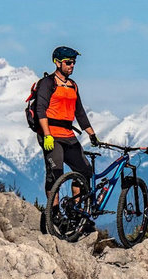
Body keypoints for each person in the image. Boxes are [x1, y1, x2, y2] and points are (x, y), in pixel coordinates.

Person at [35, 46, 100, 213]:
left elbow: (80, 113)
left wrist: (91, 135)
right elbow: (40, 110)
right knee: (55, 173)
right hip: (51, 135)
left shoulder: (73, 86)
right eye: (68, 62)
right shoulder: (47, 83)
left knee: (85, 171)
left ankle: (75, 209)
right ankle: (54, 214)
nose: (72, 66)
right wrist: (47, 135)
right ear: (57, 63)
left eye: (74, 63)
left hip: (68, 135)